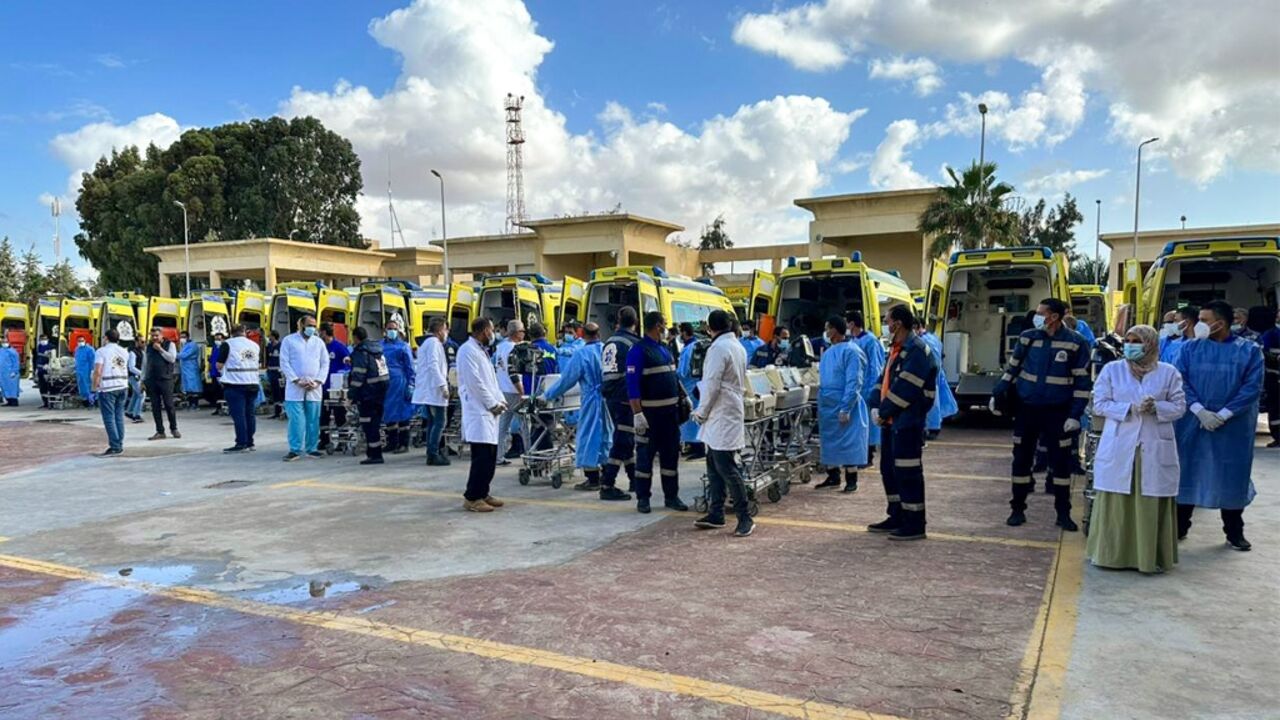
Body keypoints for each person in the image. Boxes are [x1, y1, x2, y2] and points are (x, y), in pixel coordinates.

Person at [1087, 325, 1185, 573]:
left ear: (1150, 344)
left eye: (1137, 341)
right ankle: (1113, 555)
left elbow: (1179, 407)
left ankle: (1149, 557)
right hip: (1121, 444)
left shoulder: (1168, 373)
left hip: (1153, 445)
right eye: (1128, 340)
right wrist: (1127, 409)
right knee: (1117, 501)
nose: (1131, 345)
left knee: (1149, 499)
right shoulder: (1112, 370)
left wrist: (1157, 408)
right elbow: (1098, 404)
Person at [990, 297, 1092, 531]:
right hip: (1028, 409)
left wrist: (1075, 416)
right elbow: (1012, 369)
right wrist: (997, 393)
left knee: (1061, 464)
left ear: (1054, 316)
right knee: (1021, 460)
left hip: (1058, 412)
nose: (1036, 316)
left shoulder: (1076, 343)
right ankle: (1017, 509)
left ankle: (1063, 513)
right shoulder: (1028, 337)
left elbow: (1082, 382)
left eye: (1041, 312)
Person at [1174, 300, 1264, 551]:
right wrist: (1199, 410)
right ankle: (1179, 526)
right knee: (1189, 471)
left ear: (1221, 323)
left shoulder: (1249, 351)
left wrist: (1224, 414)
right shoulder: (1190, 350)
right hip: (1194, 423)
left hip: (1233, 427)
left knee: (1231, 475)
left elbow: (1252, 387)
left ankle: (1234, 531)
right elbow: (1180, 380)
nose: (1198, 324)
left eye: (1203, 319)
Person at [868, 304, 939, 540]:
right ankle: (897, 514)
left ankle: (915, 522)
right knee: (889, 469)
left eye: (887, 320)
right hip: (892, 421)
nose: (886, 325)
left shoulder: (917, 350)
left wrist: (883, 409)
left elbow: (906, 389)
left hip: (908, 422)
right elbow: (883, 378)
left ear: (897, 323)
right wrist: (875, 404)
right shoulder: (897, 349)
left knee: (907, 472)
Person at [542, 322, 628, 498]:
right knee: (607, 437)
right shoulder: (607, 349)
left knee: (588, 438)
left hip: (591, 400)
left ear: (582, 333)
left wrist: (547, 395)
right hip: (609, 398)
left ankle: (593, 478)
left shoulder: (581, 354)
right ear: (599, 333)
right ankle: (607, 475)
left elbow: (567, 380)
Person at [691, 310, 754, 537]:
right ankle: (716, 513)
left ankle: (744, 516)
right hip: (726, 410)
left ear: (710, 328)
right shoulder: (737, 346)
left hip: (721, 411)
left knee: (726, 466)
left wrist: (701, 412)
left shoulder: (718, 349)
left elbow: (711, 384)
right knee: (714, 465)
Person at [627, 311, 689, 514]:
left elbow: (673, 375)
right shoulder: (638, 351)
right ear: (657, 326)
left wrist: (683, 395)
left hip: (669, 416)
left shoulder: (664, 349)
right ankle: (643, 499)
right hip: (650, 416)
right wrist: (637, 414)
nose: (665, 328)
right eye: (663, 324)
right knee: (645, 458)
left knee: (670, 457)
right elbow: (632, 385)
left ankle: (672, 496)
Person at [457, 318, 507, 512]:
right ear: (485, 331)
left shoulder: (481, 350)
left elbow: (491, 381)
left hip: (489, 411)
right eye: (492, 330)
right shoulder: (467, 350)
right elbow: (475, 383)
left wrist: (500, 400)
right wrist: (491, 403)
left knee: (490, 456)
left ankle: (483, 492)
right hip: (478, 411)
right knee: (482, 457)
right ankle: (472, 497)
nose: (493, 334)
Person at [814, 316, 869, 492]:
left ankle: (851, 479)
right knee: (829, 441)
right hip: (828, 405)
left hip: (845, 404)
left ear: (835, 329)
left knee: (849, 442)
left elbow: (854, 381)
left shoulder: (852, 351)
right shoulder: (829, 352)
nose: (825, 332)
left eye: (827, 328)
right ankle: (833, 476)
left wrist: (846, 407)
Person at [599, 308, 641, 499]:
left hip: (611, 396)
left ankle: (634, 479)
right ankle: (608, 483)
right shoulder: (634, 343)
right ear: (636, 321)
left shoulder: (609, 341)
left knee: (625, 438)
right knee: (622, 439)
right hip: (626, 396)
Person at [279, 314, 328, 461]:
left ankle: (312, 448)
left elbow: (325, 363)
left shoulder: (318, 342)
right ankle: (295, 449)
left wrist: (318, 381)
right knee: (296, 420)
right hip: (295, 388)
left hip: (314, 387)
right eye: (309, 325)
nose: (312, 328)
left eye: (314, 325)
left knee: (313, 420)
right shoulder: (289, 341)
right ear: (301, 325)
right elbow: (284, 362)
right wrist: (296, 380)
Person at [216, 324, 262, 453]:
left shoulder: (228, 344)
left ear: (231, 333)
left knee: (239, 416)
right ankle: (250, 442)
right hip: (253, 383)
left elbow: (219, 365)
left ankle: (241, 443)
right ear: (245, 332)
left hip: (235, 384)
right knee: (250, 414)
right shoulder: (254, 345)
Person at [348, 326, 390, 465]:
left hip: (367, 394)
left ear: (356, 337)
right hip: (380, 392)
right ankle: (375, 452)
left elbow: (358, 375)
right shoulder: (377, 350)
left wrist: (351, 395)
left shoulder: (361, 352)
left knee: (368, 424)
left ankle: (374, 455)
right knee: (376, 423)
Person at [413, 317, 451, 465]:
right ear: (440, 330)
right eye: (446, 330)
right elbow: (434, 366)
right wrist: (443, 385)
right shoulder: (434, 344)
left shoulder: (427, 344)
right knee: (440, 421)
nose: (446, 333)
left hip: (428, 388)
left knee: (432, 422)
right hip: (434, 389)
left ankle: (432, 451)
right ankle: (433, 453)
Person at [846, 312, 883, 464]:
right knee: (859, 424)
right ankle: (861, 453)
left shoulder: (870, 341)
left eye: (847, 323)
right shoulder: (853, 341)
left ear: (852, 324)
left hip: (868, 387)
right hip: (858, 388)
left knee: (869, 424)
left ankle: (869, 454)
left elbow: (875, 367)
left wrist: (873, 389)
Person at [91, 329, 130, 456]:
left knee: (109, 418)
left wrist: (94, 387)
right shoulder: (124, 352)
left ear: (106, 338)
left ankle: (114, 446)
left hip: (108, 387)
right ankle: (119, 443)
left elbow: (98, 371)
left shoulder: (101, 351)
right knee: (119, 416)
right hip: (123, 386)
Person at [521, 323, 559, 452]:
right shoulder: (552, 349)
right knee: (547, 422)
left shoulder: (529, 350)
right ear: (545, 334)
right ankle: (546, 451)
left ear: (530, 335)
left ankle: (539, 454)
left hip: (533, 393)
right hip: (551, 391)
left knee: (537, 424)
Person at [917, 325, 958, 440]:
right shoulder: (933, 338)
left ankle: (932, 428)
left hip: (929, 376)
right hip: (936, 375)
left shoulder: (923, 341)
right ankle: (934, 426)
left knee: (932, 403)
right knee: (935, 400)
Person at [495, 319, 526, 462]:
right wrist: (522, 392)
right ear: (516, 333)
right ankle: (530, 454)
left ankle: (498, 455)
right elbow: (513, 373)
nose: (524, 334)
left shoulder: (500, 347)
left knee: (502, 425)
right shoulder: (515, 348)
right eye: (522, 331)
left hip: (502, 390)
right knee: (525, 424)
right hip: (514, 391)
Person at [317, 322, 351, 452]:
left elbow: (348, 364)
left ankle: (343, 440)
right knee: (323, 416)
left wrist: (341, 374)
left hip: (336, 389)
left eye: (320, 332)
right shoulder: (320, 347)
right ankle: (324, 440)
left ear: (324, 332)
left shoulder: (339, 347)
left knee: (339, 415)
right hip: (322, 386)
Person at [142, 328, 180, 440]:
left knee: (169, 405)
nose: (154, 338)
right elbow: (145, 364)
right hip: (151, 379)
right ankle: (160, 431)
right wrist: (142, 380)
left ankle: (174, 428)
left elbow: (172, 359)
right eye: (152, 335)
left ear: (161, 335)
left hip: (166, 379)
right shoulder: (148, 347)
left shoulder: (170, 344)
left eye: (156, 335)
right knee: (155, 406)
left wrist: (161, 350)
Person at [676, 323, 705, 460]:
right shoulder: (697, 345)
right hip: (697, 386)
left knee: (690, 419)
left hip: (689, 387)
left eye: (680, 332)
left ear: (684, 332)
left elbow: (683, 371)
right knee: (694, 419)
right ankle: (695, 446)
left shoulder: (688, 349)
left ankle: (696, 447)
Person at [1261, 308, 1280, 448]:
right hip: (1274, 376)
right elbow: (1265, 352)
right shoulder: (1270, 334)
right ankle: (1278, 436)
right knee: (1275, 408)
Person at [176, 331, 202, 409]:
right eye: (181, 337)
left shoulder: (193, 345)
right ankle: (190, 403)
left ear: (188, 337)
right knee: (187, 387)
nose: (182, 339)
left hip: (191, 368)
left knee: (193, 387)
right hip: (185, 369)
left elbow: (185, 355)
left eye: (184, 337)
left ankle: (195, 404)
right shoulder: (184, 345)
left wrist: (173, 354)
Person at [125, 334, 145, 422]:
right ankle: (137, 415)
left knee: (136, 394)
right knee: (141, 394)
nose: (144, 343)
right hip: (134, 376)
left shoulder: (141, 351)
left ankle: (129, 411)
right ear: (136, 342)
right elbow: (131, 367)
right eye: (142, 342)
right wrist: (142, 373)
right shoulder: (133, 352)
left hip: (137, 376)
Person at [265, 330, 284, 419]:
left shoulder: (280, 346)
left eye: (270, 336)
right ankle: (276, 412)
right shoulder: (269, 346)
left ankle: (282, 411)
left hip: (278, 372)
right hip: (271, 371)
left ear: (274, 336)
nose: (269, 338)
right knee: (274, 392)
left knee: (280, 391)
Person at [207, 332, 227, 415]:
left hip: (222, 373)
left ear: (223, 339)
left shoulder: (225, 347)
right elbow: (212, 359)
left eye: (218, 339)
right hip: (214, 373)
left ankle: (224, 408)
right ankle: (218, 408)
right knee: (215, 391)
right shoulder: (215, 347)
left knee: (223, 391)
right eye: (215, 339)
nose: (217, 340)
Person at [74, 336, 96, 406]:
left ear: (85, 340)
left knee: (88, 385)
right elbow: (76, 359)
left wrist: (93, 370)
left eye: (82, 340)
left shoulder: (90, 349)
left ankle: (92, 400)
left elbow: (93, 360)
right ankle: (85, 399)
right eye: (79, 341)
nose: (80, 342)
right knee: (81, 385)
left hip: (87, 371)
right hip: (79, 371)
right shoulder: (77, 349)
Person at [35, 334, 54, 408]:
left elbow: (54, 357)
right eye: (42, 339)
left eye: (45, 339)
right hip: (40, 369)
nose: (43, 340)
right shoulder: (39, 346)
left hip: (48, 370)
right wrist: (36, 369)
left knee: (50, 386)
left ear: (48, 339)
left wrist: (49, 365)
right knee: (42, 387)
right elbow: (38, 358)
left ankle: (51, 403)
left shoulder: (51, 347)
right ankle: (45, 402)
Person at [0, 337, 19, 407]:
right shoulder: (1, 351)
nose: (4, 343)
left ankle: (14, 401)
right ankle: (9, 401)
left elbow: (16, 362)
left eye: (5, 342)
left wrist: (14, 371)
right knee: (4, 387)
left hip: (10, 373)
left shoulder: (13, 352)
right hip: (2, 373)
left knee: (12, 387)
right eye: (3, 342)